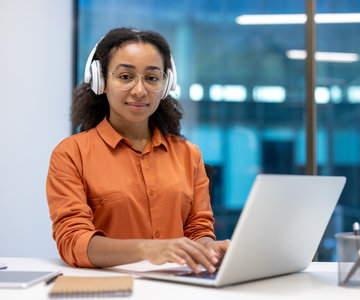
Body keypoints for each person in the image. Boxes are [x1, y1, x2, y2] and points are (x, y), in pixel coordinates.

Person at [46, 27, 229, 274]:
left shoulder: (189, 155)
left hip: (178, 289)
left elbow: (198, 231)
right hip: (109, 289)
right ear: (101, 81)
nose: (140, 91)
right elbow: (73, 242)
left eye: (152, 78)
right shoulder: (71, 154)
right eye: (125, 76)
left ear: (165, 85)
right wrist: (147, 249)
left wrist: (210, 249)